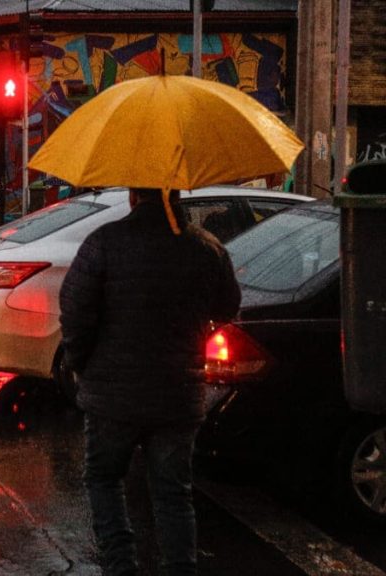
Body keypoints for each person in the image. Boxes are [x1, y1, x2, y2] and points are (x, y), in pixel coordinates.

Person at [59, 187, 240, 576]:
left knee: (105, 480)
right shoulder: (206, 248)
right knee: (174, 494)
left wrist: (81, 363)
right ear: (176, 196)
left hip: (111, 396)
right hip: (179, 393)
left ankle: (121, 565)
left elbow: (74, 312)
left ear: (133, 198)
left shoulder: (104, 243)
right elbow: (228, 306)